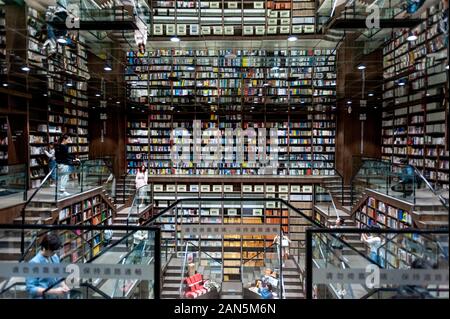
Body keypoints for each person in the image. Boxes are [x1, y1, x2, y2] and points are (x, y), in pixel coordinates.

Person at [26, 233, 70, 299]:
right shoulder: (34, 263)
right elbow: (31, 289)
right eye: (52, 251)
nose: (54, 253)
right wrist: (54, 291)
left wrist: (64, 285)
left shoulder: (54, 257)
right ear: (44, 248)